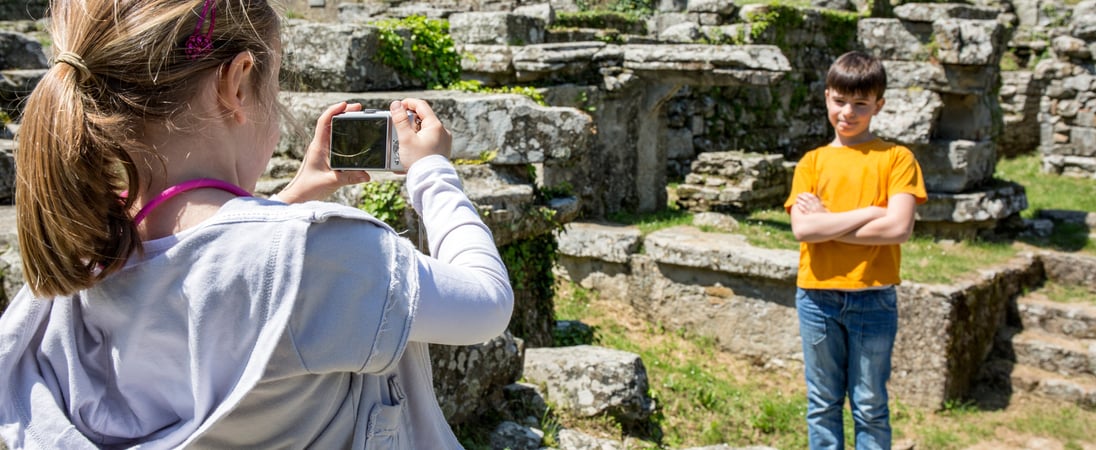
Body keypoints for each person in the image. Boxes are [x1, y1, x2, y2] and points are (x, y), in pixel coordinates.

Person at [0, 0, 513, 448]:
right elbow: (486, 304)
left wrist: (296, 196)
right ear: (236, 81)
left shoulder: (84, 256)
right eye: (276, 83)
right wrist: (433, 175)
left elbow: (215, 256)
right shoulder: (323, 258)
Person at [784, 51, 927, 450]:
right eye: (839, 101)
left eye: (861, 104)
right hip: (817, 296)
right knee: (822, 402)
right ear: (827, 96)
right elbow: (802, 228)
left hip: (873, 295)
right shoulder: (811, 162)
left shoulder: (897, 158)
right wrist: (867, 212)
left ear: (878, 105)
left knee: (869, 404)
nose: (848, 112)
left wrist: (827, 225)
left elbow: (898, 228)